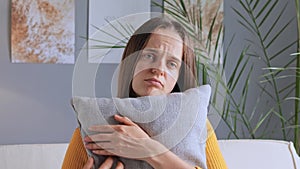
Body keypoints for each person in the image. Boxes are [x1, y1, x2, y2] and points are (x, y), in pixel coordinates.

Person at [62, 16, 227, 169]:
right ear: (131, 62)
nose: (159, 69)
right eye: (149, 55)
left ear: (179, 77)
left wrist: (150, 150)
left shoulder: (197, 126)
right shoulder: (93, 129)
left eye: (172, 64)